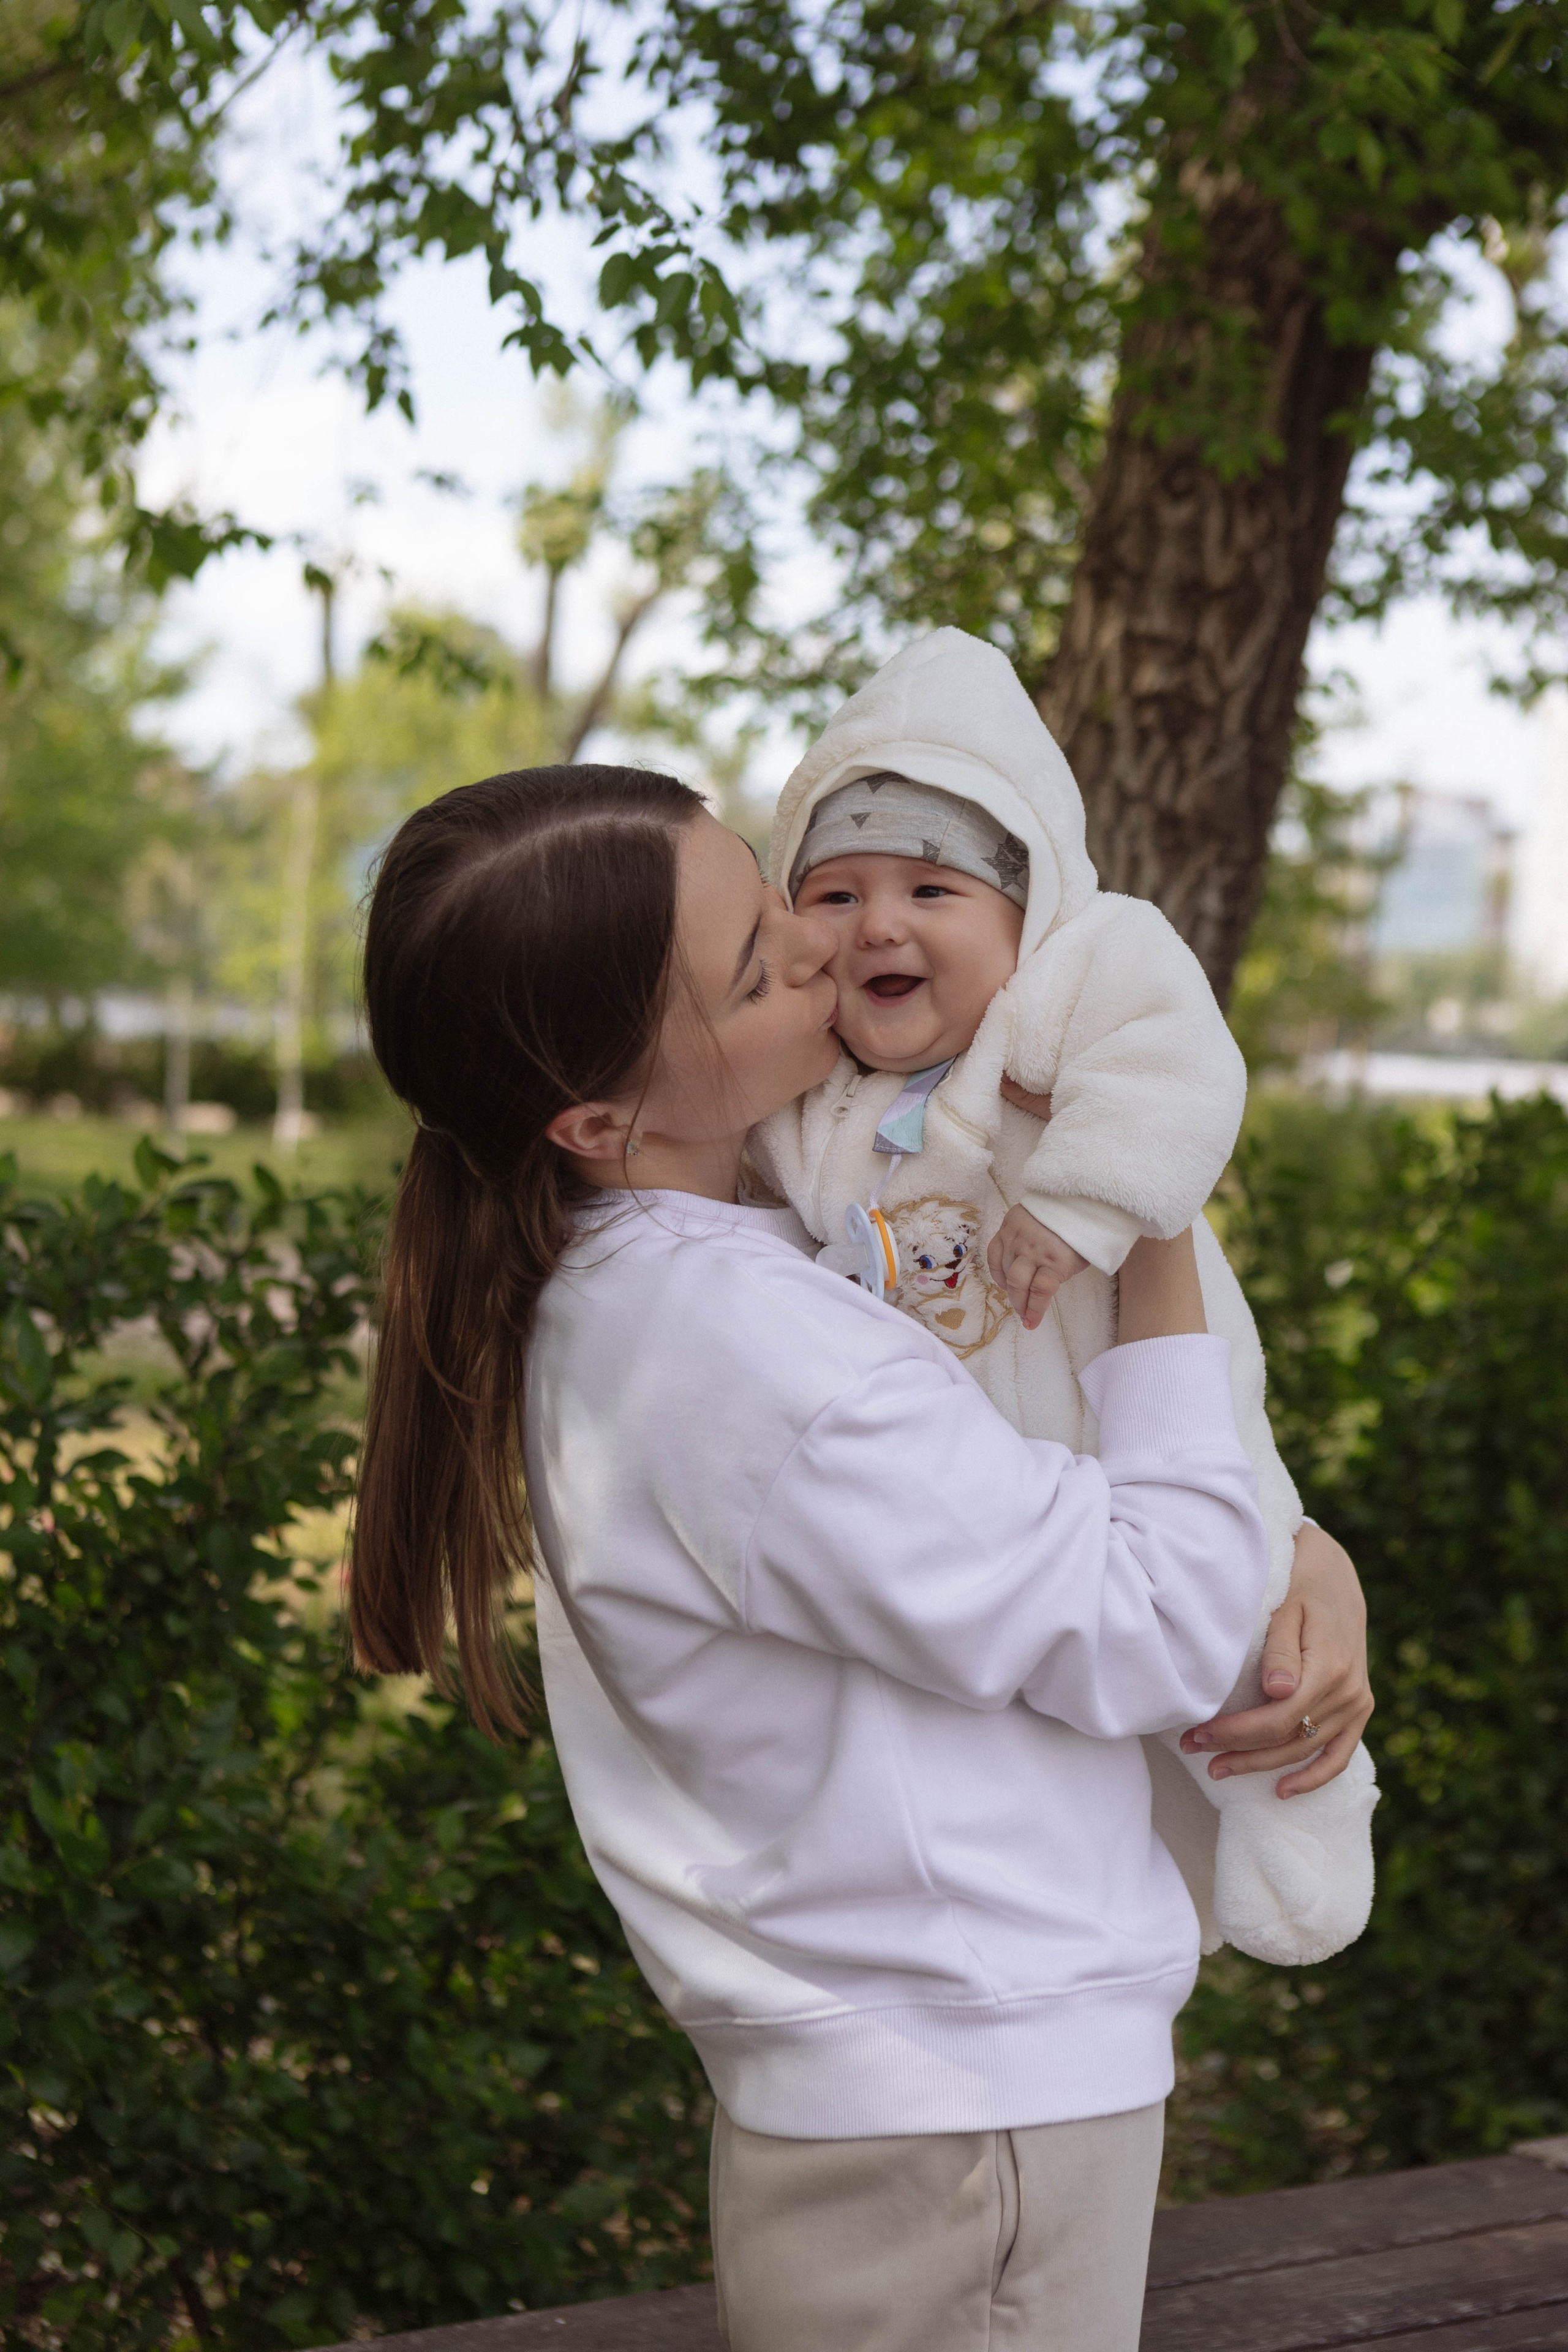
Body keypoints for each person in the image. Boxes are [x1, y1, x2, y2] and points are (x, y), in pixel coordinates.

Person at [350, 764, 1376, 2352]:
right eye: (761, 969)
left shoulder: (710, 1277)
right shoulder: (746, 1351)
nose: (825, 952)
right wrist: (1140, 1196)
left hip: (923, 2090)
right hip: (966, 2105)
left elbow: (1038, 1520)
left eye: (780, 905)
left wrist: (1296, 1544)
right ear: (601, 1118)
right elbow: (1159, 1627)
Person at [752, 627, 1379, 1967]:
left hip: (1132, 1381)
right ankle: (1163, 1853)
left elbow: (1177, 1068)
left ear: (1023, 912)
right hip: (989, 1459)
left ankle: (1300, 1822)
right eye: (833, 893)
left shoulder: (1070, 988)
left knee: (1238, 1609)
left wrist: (1084, 1200)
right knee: (1081, 1672)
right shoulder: (814, 1094)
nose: (879, 925)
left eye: (931, 889)